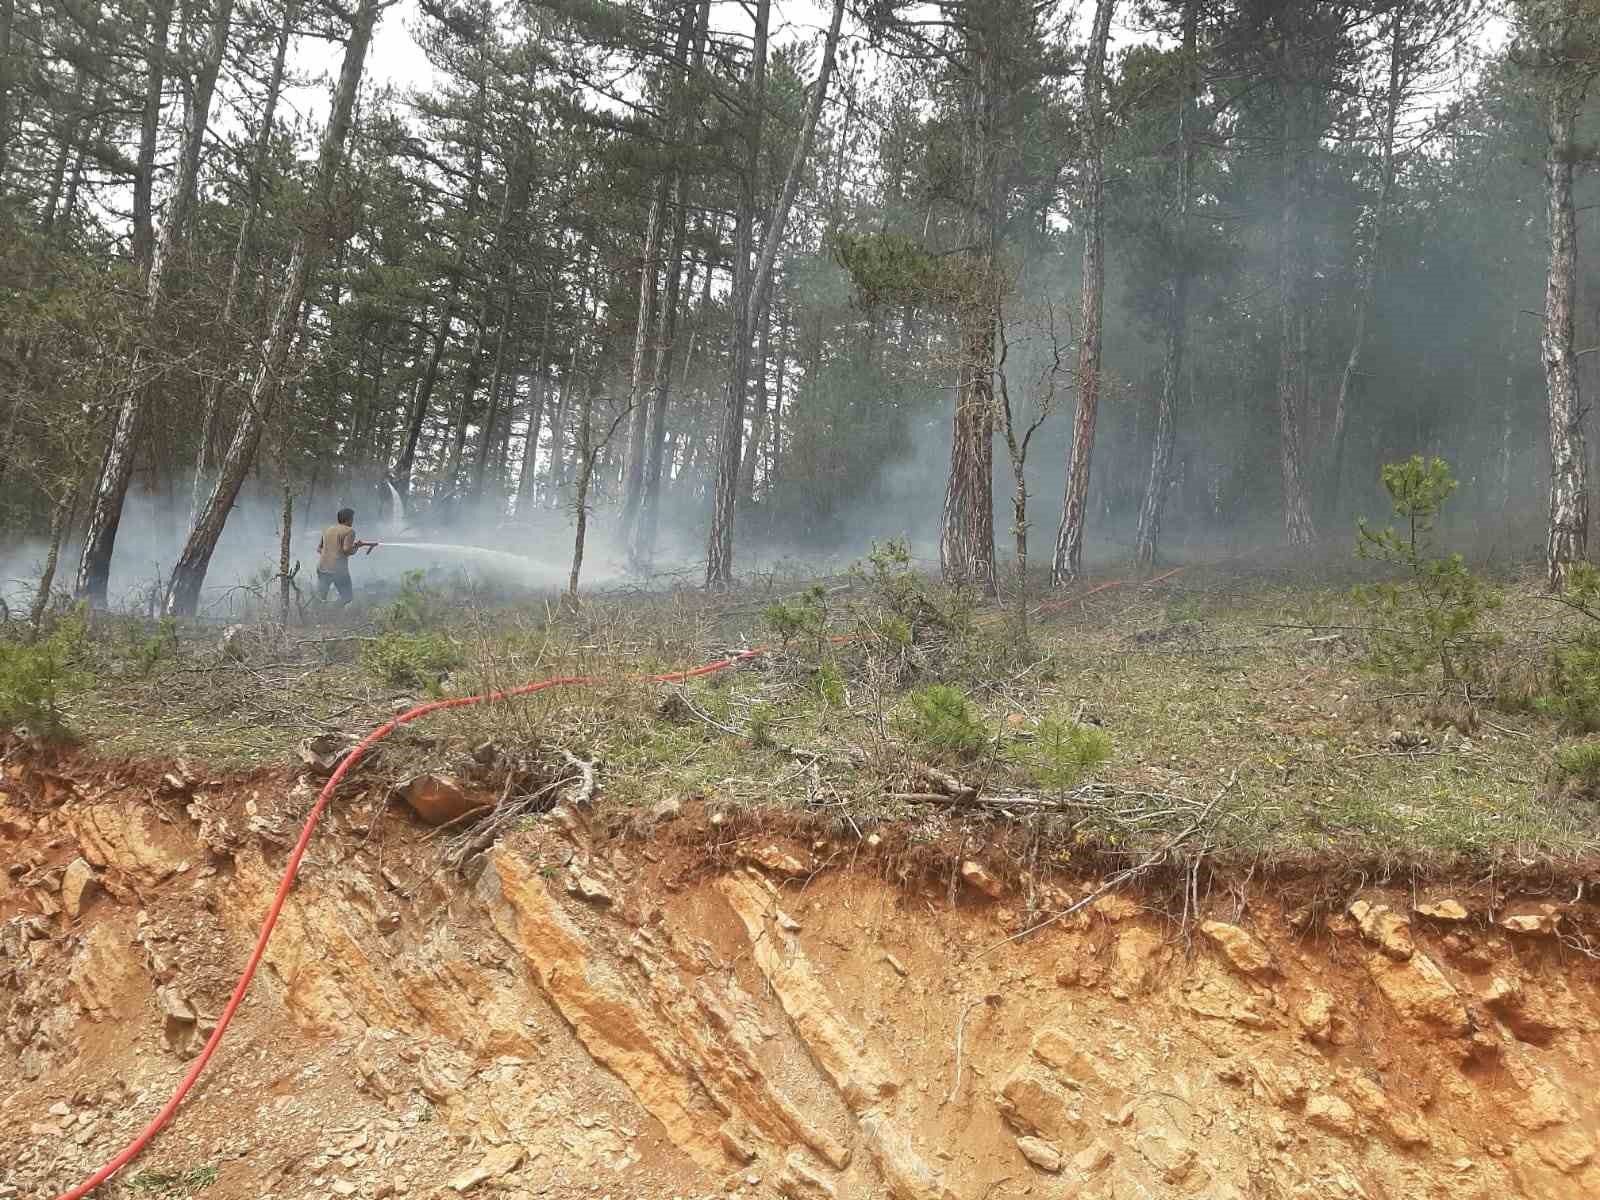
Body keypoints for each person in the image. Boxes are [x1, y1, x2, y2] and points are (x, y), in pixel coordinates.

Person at [316, 508, 375, 606]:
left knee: (320, 597)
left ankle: (318, 614)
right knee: (347, 597)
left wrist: (331, 552)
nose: (352, 521)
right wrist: (357, 546)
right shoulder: (350, 531)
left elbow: (319, 549)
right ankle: (332, 609)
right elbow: (347, 550)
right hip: (338, 570)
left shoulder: (328, 529)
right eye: (352, 518)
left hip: (322, 568)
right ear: (348, 519)